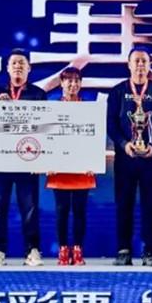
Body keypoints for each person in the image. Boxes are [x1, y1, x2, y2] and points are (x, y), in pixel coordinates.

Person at [106, 48, 152, 266]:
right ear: (129, 64)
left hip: (150, 159)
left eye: (144, 61)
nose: (140, 65)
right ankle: (123, 250)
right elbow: (111, 124)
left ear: (150, 65)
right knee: (123, 204)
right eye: (137, 61)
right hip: (125, 159)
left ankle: (150, 252)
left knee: (150, 205)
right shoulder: (117, 92)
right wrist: (124, 144)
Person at [0, 49, 47, 267]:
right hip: (0, 161)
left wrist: (41, 159)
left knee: (30, 208)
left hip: (27, 160)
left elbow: (46, 128)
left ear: (29, 68)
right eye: (14, 63)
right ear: (7, 68)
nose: (18, 67)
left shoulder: (38, 94)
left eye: (22, 63)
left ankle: (32, 250)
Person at [47, 67, 95, 266]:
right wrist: (47, 161)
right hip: (59, 170)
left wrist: (93, 161)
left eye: (76, 81)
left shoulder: (89, 109)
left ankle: (77, 250)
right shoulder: (52, 108)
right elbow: (47, 138)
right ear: (61, 83)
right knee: (62, 210)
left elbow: (95, 139)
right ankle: (63, 250)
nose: (73, 84)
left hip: (83, 169)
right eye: (69, 81)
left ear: (81, 84)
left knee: (80, 211)